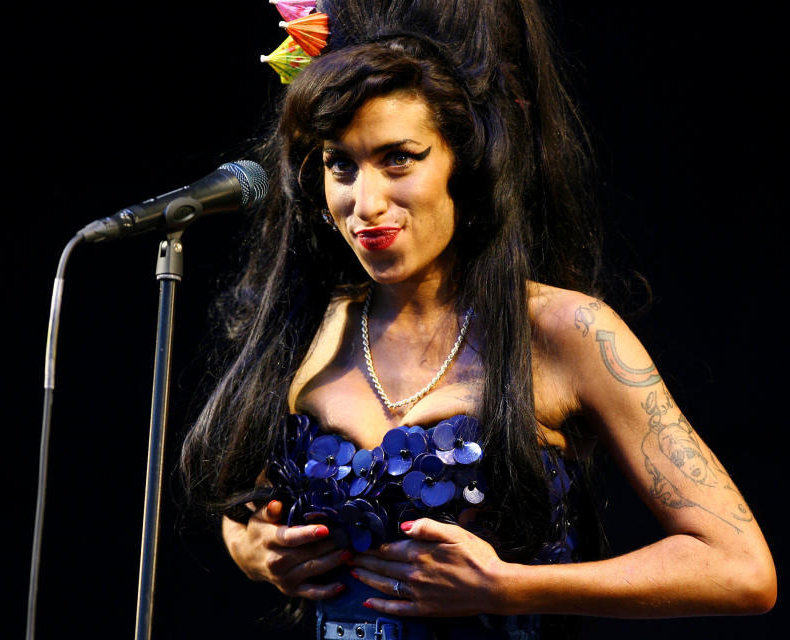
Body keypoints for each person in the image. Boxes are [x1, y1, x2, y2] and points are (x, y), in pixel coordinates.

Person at [180, 1, 776, 638]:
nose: (366, 202)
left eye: (399, 158)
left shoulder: (564, 330)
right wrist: (253, 549)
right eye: (341, 166)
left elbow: (739, 567)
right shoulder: (310, 328)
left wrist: (510, 587)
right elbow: (250, 505)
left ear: (463, 162)